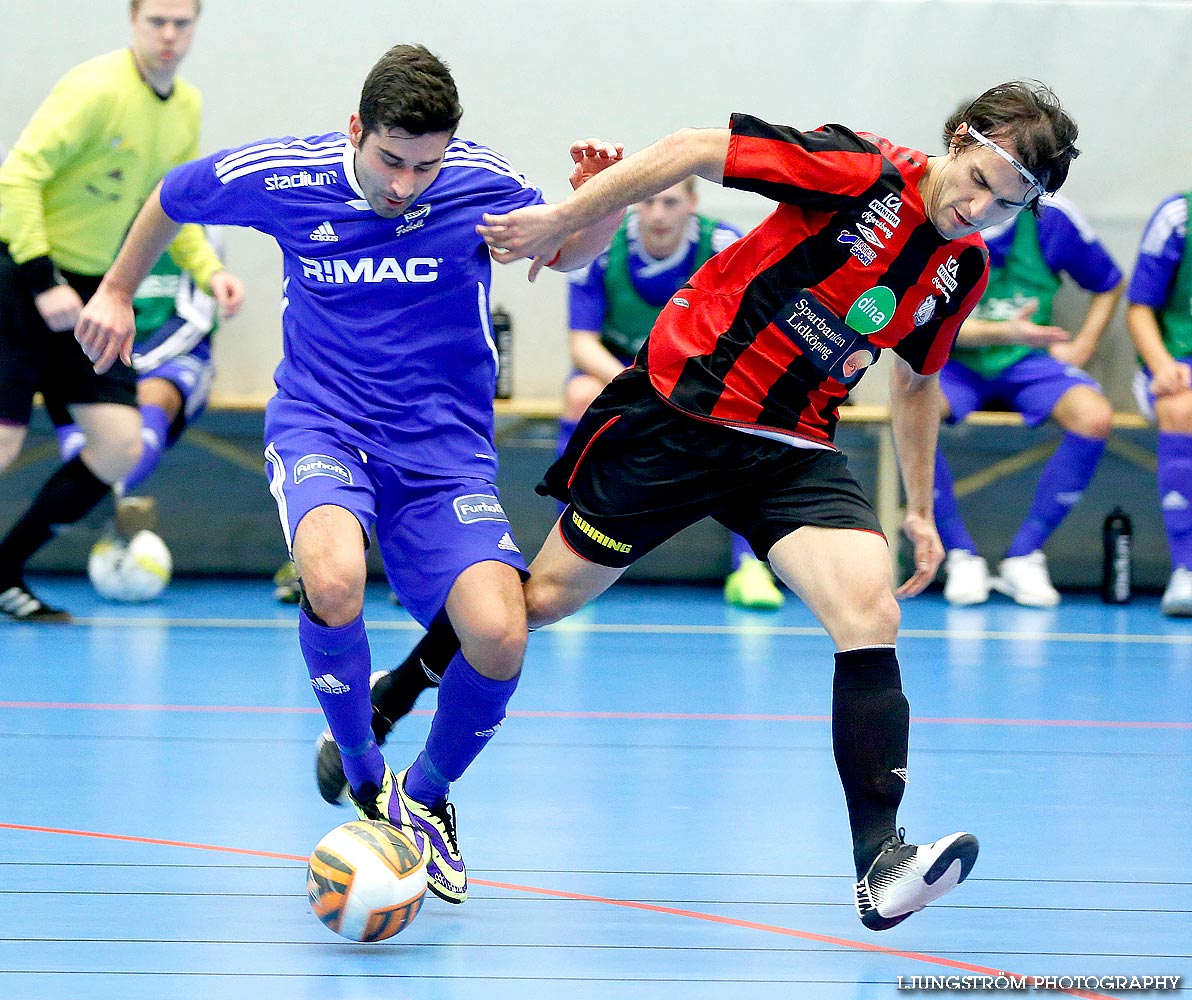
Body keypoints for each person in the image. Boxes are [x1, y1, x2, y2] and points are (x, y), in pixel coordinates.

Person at [320, 81, 1081, 931]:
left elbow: (917, 377)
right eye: (977, 180)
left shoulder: (960, 267)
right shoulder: (858, 170)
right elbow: (690, 147)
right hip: (681, 415)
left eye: (1007, 206)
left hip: (790, 445)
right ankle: (395, 697)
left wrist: (920, 510)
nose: (979, 210)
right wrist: (563, 217)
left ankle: (880, 863)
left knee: (869, 609)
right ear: (958, 137)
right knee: (532, 606)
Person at [75, 43, 624, 905]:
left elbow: (568, 255)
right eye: (391, 161)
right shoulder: (287, 177)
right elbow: (173, 196)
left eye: (425, 165)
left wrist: (593, 206)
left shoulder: (479, 182)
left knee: (500, 632)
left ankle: (427, 796)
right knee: (331, 579)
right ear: (357, 130)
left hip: (443, 452)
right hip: (322, 423)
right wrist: (114, 290)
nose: (406, 183)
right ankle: (367, 775)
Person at [0, 0, 242, 622]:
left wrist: (210, 273)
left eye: (180, 23)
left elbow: (168, 207)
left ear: (195, 28)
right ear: (133, 22)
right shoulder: (94, 88)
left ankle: (3, 569)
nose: (168, 35)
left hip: (94, 293)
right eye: (155, 21)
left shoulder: (183, 106)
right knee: (1, 444)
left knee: (119, 445)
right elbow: (17, 178)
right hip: (26, 275)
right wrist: (41, 278)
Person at [562, 178, 784, 609]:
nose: (659, 214)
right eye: (649, 201)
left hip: (697, 372)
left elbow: (743, 338)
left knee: (740, 416)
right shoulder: (602, 246)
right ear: (634, 206)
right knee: (578, 395)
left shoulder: (724, 244)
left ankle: (748, 565)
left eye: (671, 201)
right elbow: (582, 343)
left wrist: (680, 386)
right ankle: (568, 561)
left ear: (693, 204)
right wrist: (639, 384)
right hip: (620, 369)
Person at [934, 194, 1122, 607]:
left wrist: (1082, 346)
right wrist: (1003, 332)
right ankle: (959, 555)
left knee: (1093, 417)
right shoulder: (935, 209)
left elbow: (1109, 284)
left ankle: (1026, 554)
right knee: (913, 413)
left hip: (1028, 362)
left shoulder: (1053, 217)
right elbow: (918, 322)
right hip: (953, 362)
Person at [54, 236, 227, 543]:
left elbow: (196, 316)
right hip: (100, 348)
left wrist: (130, 365)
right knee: (82, 399)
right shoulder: (92, 212)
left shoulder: (196, 216)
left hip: (174, 354)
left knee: (156, 395)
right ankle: (94, 490)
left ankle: (108, 491)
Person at [1125, 190, 1192, 616]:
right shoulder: (1178, 215)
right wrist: (1162, 364)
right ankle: (1186, 567)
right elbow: (1140, 307)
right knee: (1182, 408)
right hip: (1177, 361)